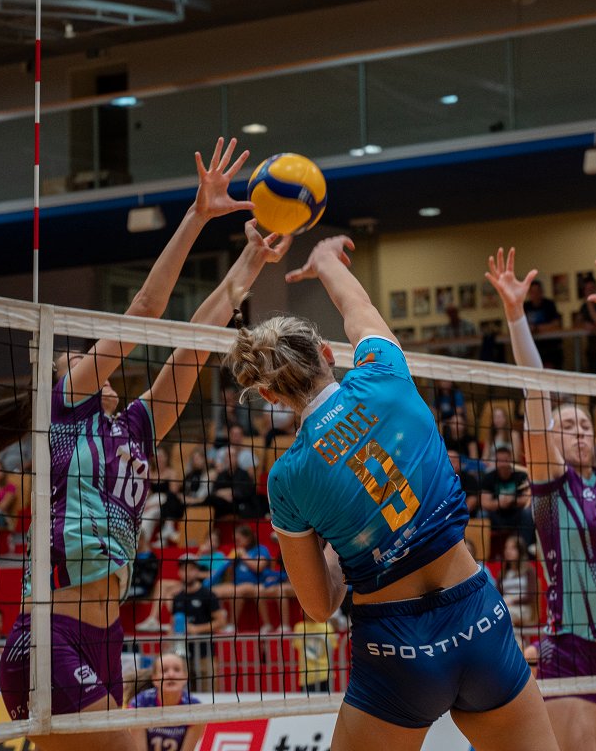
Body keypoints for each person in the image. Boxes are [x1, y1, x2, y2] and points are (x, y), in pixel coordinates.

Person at [0, 138, 288, 750]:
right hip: (49, 635)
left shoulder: (138, 428)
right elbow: (146, 309)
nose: (86, 362)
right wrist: (197, 215)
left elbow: (196, 342)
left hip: (106, 637)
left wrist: (251, 261)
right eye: (76, 358)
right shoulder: (65, 409)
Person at [227, 237, 557, 751]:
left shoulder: (287, 478)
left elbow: (320, 604)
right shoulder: (383, 372)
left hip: (395, 648)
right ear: (327, 353)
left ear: (268, 394)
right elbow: (357, 307)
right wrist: (326, 261)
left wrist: (344, 543)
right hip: (478, 618)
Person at [486, 248, 596, 751]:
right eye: (568, 426)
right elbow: (536, 392)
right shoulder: (550, 484)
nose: (580, 429)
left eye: (584, 424)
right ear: (550, 442)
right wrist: (516, 315)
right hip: (570, 649)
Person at [171, 553, 227, 691]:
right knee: (185, 693)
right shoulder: (177, 598)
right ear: (179, 572)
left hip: (205, 654)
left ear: (197, 571)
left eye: (191, 569)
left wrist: (196, 629)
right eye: (183, 569)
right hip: (183, 655)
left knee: (209, 693)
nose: (187, 573)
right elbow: (173, 623)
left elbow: (221, 622)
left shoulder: (207, 595)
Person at [128, 653, 201, 751]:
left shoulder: (194, 708)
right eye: (164, 670)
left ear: (185, 677)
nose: (171, 675)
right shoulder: (140, 704)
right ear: (154, 679)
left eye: (177, 670)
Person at [479, 447, 535, 551]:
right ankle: (483, 551)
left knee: (528, 513)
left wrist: (512, 500)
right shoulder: (488, 478)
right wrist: (499, 503)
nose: (503, 464)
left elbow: (528, 500)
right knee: (481, 514)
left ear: (510, 461)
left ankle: (525, 550)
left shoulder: (521, 476)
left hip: (516, 514)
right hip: (497, 515)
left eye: (505, 460)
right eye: (499, 461)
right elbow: (484, 503)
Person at [497, 535, 539, 638]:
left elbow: (531, 596)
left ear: (520, 551)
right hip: (505, 607)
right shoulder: (502, 573)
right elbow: (497, 596)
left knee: (505, 616)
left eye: (512, 548)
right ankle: (518, 643)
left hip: (523, 608)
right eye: (506, 548)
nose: (508, 551)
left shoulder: (529, 570)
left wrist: (512, 601)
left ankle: (515, 645)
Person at [291, 616, 340, 694]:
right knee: (327, 700)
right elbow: (333, 647)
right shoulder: (327, 627)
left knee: (309, 701)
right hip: (325, 673)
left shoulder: (299, 628)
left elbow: (296, 645)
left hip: (308, 675)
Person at [523, 279, 563, 369]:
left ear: (541, 292)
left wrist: (536, 328)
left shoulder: (549, 304)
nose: (536, 294)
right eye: (533, 292)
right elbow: (522, 328)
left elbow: (556, 324)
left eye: (538, 291)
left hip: (550, 348)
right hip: (532, 348)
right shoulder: (525, 306)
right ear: (529, 293)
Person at [448, 450, 482, 517]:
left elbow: (472, 500)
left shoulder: (469, 479)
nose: (450, 464)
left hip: (465, 516)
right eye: (448, 462)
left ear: (460, 463)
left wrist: (455, 515)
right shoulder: (437, 480)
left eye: (453, 461)